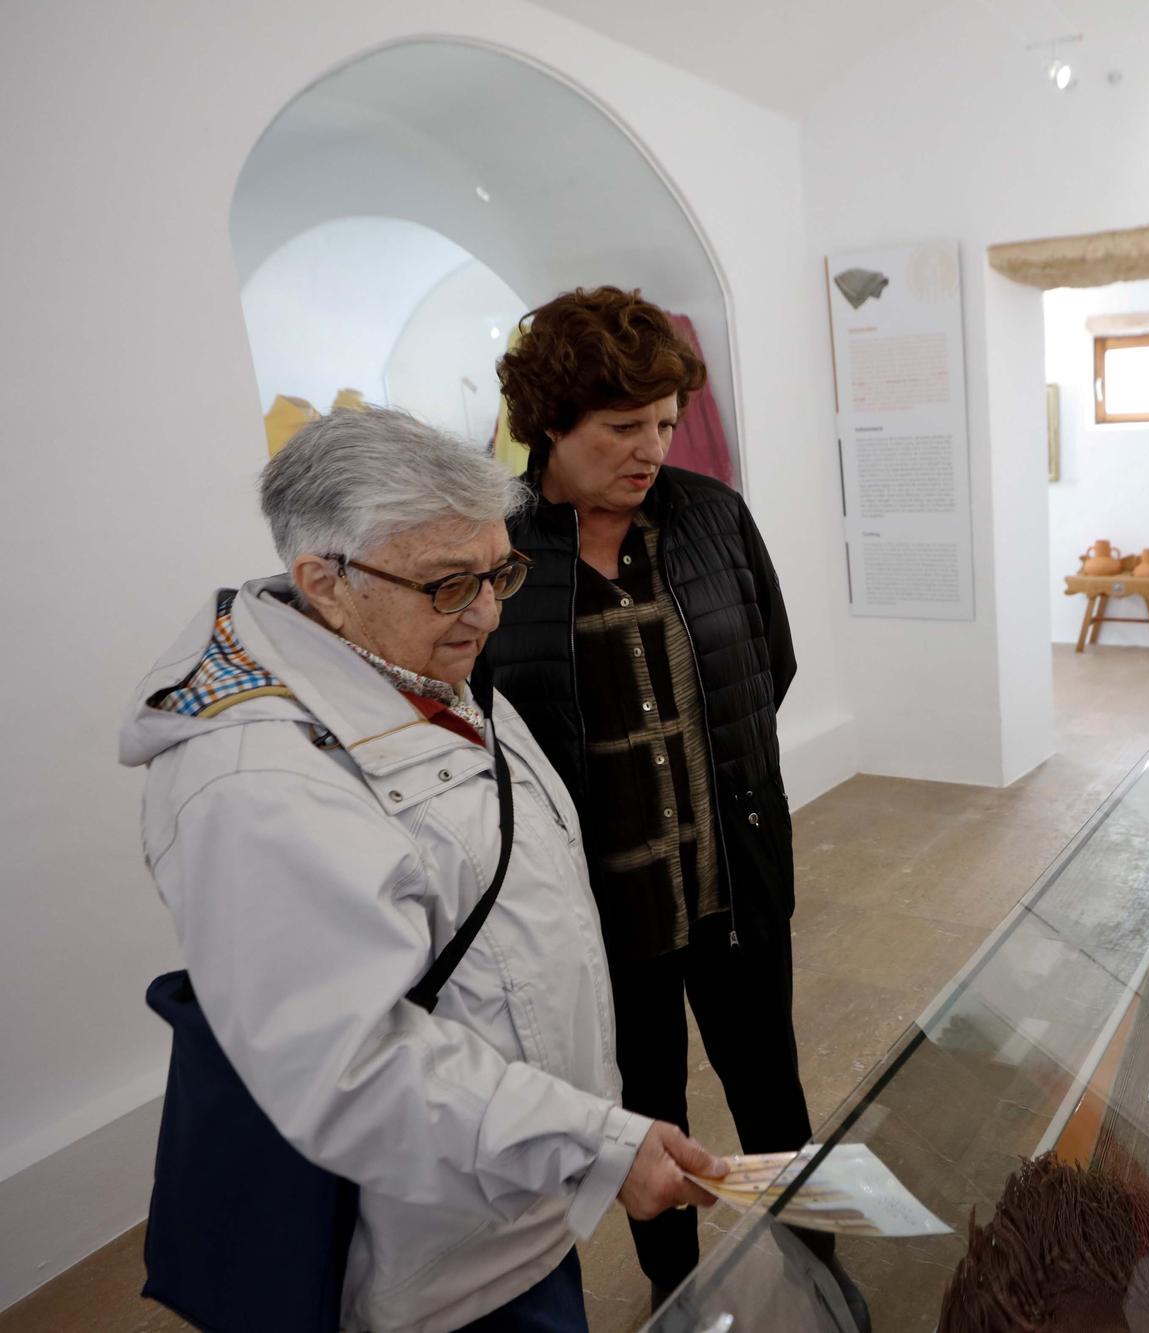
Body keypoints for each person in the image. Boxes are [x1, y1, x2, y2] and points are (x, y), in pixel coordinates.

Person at [120, 408, 725, 1333]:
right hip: (429, 1261)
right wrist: (590, 1141)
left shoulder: (411, 659)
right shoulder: (255, 782)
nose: (487, 610)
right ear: (324, 580)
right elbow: (354, 1065)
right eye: (450, 585)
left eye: (499, 572)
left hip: (503, 1199)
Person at [485, 287, 863, 1322]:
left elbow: (766, 667)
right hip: (602, 916)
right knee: (644, 1118)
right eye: (620, 427)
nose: (650, 447)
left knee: (771, 1090)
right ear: (549, 422)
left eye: (661, 421)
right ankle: (677, 1294)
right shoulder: (495, 557)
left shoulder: (711, 516)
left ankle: (812, 1265)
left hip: (730, 875)